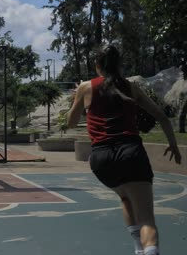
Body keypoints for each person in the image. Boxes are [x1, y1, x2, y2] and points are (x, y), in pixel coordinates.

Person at [66, 45, 182, 255]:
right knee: (147, 219)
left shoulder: (86, 87)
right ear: (119, 65)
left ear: (97, 65)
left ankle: (138, 248)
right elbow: (162, 117)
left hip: (101, 159)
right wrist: (173, 145)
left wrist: (77, 99)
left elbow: (71, 122)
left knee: (125, 197)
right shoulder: (132, 88)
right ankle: (149, 250)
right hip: (131, 153)